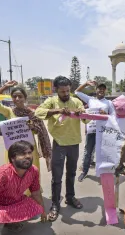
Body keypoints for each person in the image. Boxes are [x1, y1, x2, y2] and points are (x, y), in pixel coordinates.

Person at [35, 76, 87, 222]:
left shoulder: (76, 101)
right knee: (56, 177)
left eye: (68, 91)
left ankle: (70, 197)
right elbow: (38, 112)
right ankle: (55, 204)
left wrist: (81, 113)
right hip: (58, 143)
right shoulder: (51, 101)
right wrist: (57, 110)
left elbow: (86, 119)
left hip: (74, 143)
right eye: (62, 91)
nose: (65, 94)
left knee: (71, 173)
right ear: (56, 90)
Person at [0, 81, 52, 195]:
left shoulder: (32, 113)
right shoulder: (8, 111)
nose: (17, 99)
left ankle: (32, 194)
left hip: (29, 150)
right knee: (13, 173)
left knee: (30, 173)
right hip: (13, 150)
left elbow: (39, 131)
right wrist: (5, 87)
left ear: (25, 98)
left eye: (20, 96)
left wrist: (33, 126)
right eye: (14, 96)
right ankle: (15, 195)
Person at [0, 141, 47, 235]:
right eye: (22, 154)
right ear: (12, 158)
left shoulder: (33, 170)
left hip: (17, 201)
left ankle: (12, 222)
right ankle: (1, 223)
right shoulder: (1, 175)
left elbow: (35, 192)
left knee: (36, 209)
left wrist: (43, 211)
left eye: (29, 153)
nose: (28, 156)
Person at [75, 80, 113, 182]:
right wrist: (86, 84)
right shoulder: (90, 100)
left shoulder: (108, 103)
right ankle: (84, 171)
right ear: (96, 90)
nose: (101, 90)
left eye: (103, 89)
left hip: (103, 131)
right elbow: (76, 92)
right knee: (88, 152)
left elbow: (113, 117)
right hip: (91, 131)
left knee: (102, 153)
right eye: (99, 89)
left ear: (105, 91)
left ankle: (103, 173)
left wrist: (105, 114)